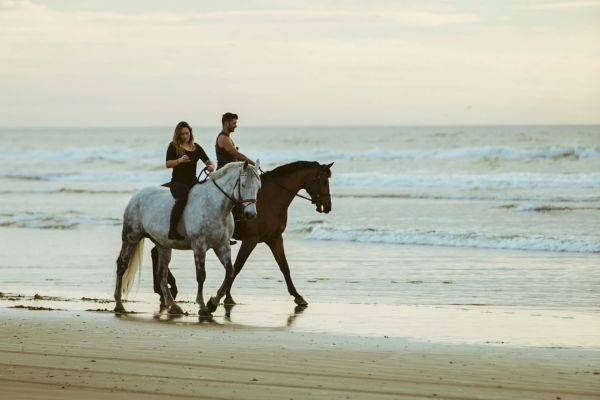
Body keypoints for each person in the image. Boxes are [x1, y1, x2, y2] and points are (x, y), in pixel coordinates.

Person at [166, 121, 215, 240]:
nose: (185, 136)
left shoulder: (196, 147)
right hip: (178, 182)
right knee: (183, 197)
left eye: (187, 133)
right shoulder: (173, 146)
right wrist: (179, 161)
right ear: (178, 135)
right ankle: (172, 231)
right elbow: (168, 164)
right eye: (182, 134)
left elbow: (208, 161)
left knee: (211, 196)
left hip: (193, 181)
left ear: (190, 133)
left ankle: (215, 230)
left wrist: (211, 166)